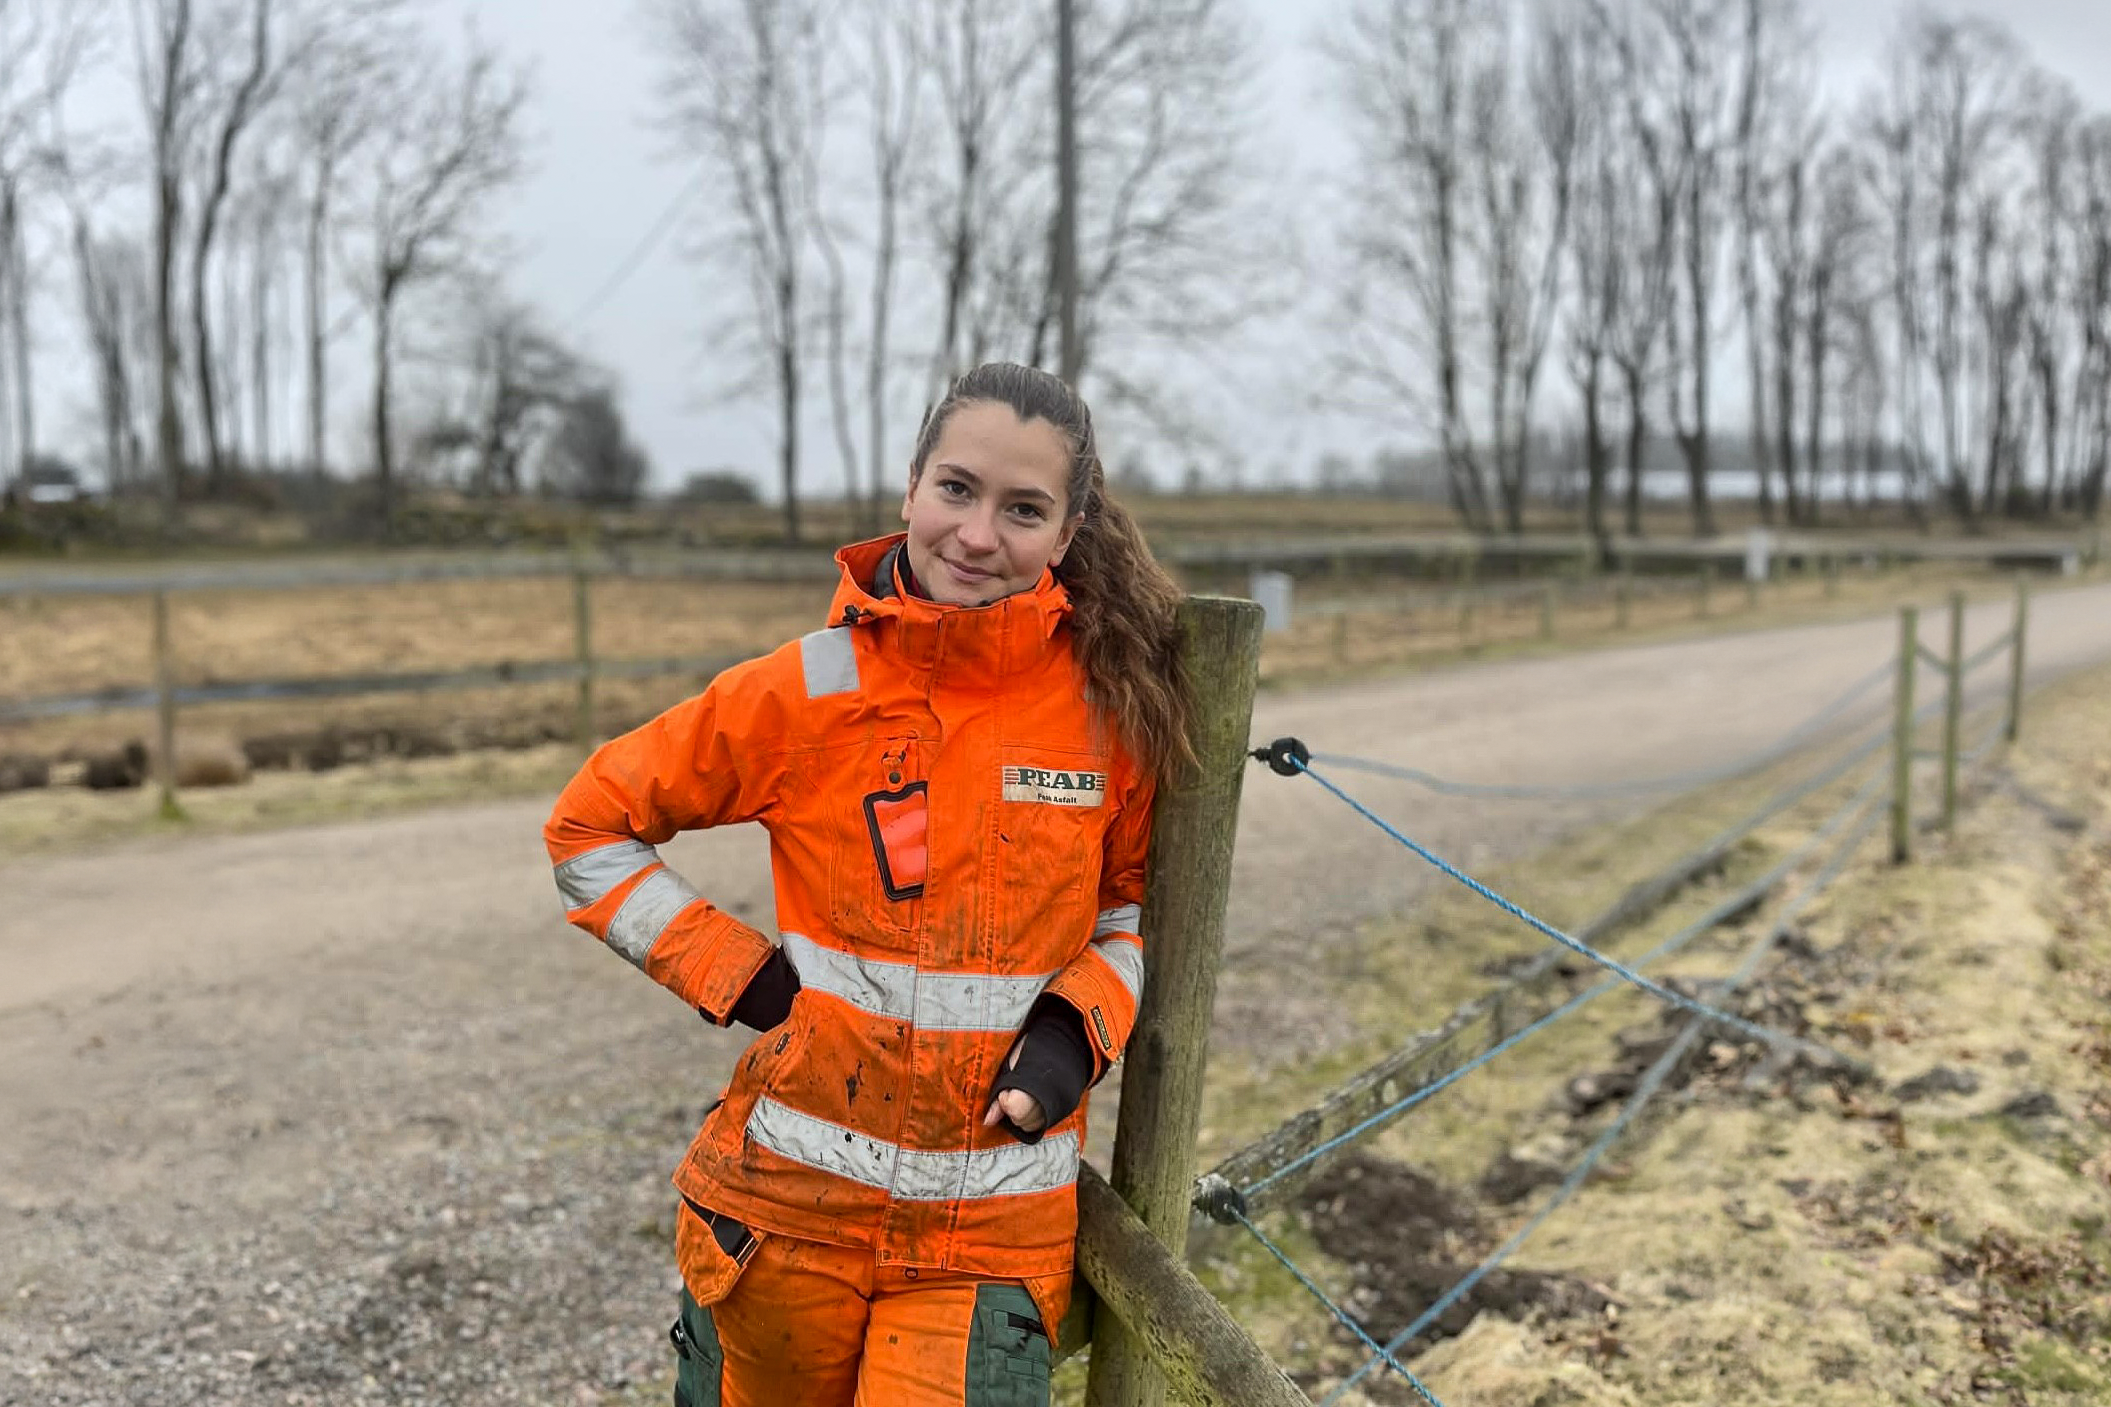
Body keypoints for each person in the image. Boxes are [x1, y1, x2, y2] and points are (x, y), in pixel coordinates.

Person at [543, 362, 1192, 1406]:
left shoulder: (1109, 711)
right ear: (910, 486)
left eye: (1022, 509)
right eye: (956, 489)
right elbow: (588, 828)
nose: (976, 535)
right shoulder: (804, 691)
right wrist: (742, 976)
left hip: (985, 1237)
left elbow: (1135, 913)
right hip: (784, 1217)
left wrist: (1074, 1032)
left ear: (1066, 533)